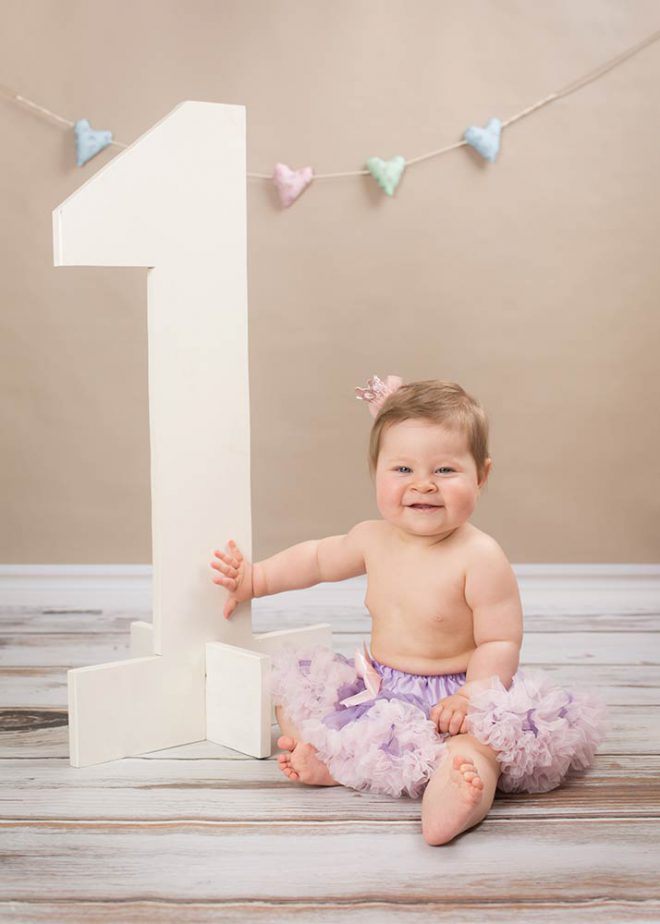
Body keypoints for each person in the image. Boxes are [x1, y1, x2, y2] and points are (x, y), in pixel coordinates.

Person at [210, 375, 607, 846]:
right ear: (376, 471)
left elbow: (499, 640)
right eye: (402, 470)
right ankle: (330, 759)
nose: (423, 485)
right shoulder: (372, 538)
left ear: (481, 476)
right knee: (294, 687)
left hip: (455, 695)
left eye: (444, 471)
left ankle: (455, 795)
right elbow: (315, 559)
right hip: (381, 687)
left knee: (478, 748)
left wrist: (472, 698)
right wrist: (255, 579)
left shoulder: (479, 556)